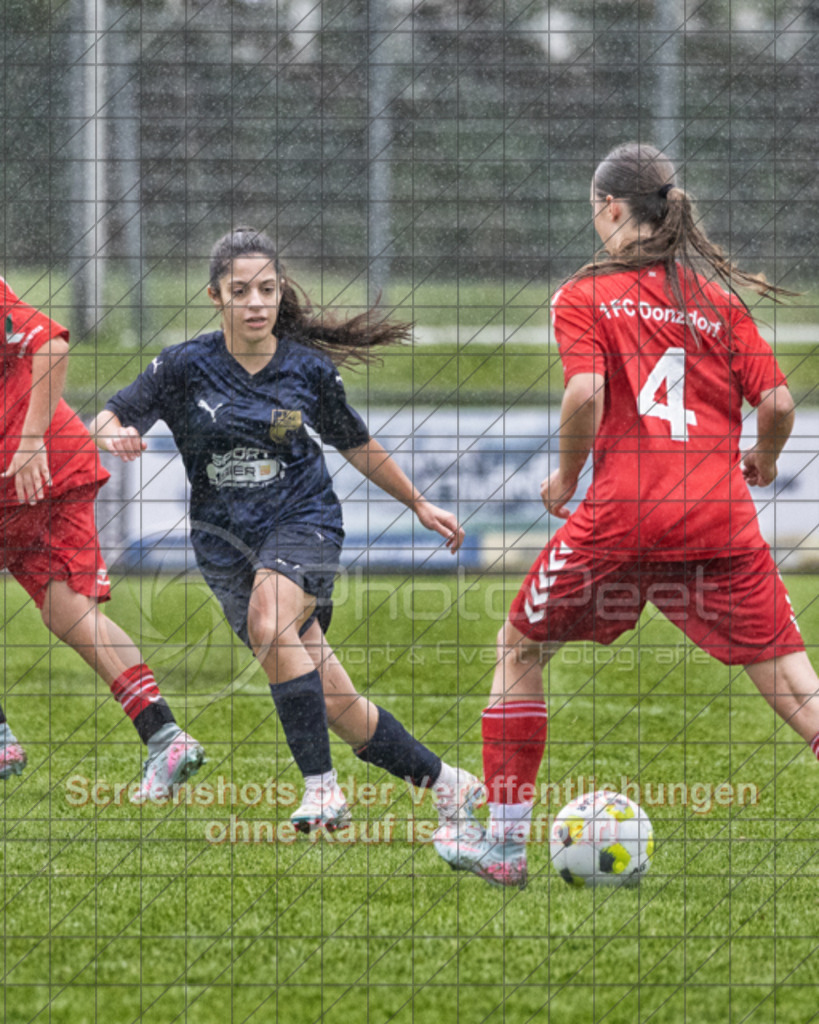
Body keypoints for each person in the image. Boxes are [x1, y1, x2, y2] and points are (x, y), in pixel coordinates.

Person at [436, 141, 819, 888]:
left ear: (611, 209)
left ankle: (504, 848)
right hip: (719, 518)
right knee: (796, 687)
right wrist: (764, 463)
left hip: (624, 514)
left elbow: (585, 394)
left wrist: (566, 477)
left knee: (518, 647)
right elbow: (775, 404)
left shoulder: (583, 294)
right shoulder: (714, 300)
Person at [92, 226, 483, 838]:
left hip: (305, 521)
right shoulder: (182, 366)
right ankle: (450, 784)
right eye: (241, 290)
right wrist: (111, 430)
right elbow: (112, 412)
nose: (255, 302)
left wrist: (418, 504)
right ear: (215, 296)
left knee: (270, 622)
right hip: (226, 549)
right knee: (341, 709)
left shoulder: (306, 369)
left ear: (281, 294)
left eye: (267, 289)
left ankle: (322, 794)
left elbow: (354, 442)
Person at [0, 276, 205, 796]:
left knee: (67, 609)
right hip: (58, 462)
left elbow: (51, 344)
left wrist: (27, 443)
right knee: (68, 610)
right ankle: (164, 736)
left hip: (29, 464)